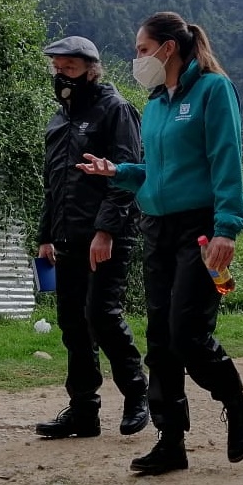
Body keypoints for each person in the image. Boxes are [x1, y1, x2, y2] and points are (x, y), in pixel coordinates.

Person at [77, 11, 243, 475]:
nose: (137, 59)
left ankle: (238, 404)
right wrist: (118, 171)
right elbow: (156, 173)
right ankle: (170, 440)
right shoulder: (156, 104)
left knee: (188, 334)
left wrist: (227, 228)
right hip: (156, 227)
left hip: (199, 229)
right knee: (159, 340)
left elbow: (226, 158)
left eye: (141, 49)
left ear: (168, 48)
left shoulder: (213, 90)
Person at [34, 36, 149, 439]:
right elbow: (54, 183)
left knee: (101, 314)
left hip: (107, 235)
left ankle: (138, 394)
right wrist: (46, 233)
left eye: (69, 67)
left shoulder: (115, 109)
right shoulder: (60, 117)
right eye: (57, 67)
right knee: (71, 322)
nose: (61, 74)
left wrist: (106, 230)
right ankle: (84, 410)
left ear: (90, 68)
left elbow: (128, 174)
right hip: (67, 236)